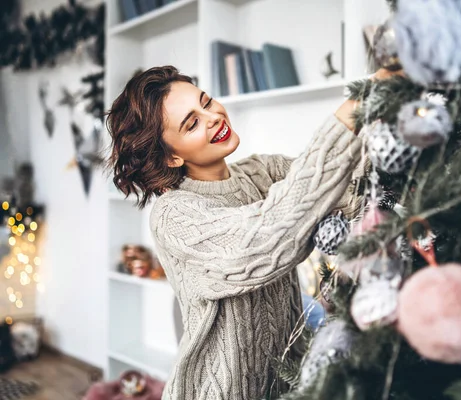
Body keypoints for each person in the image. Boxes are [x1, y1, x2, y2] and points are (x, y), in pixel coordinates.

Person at [106, 65, 396, 400]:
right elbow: (265, 239)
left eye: (207, 102)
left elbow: (345, 187)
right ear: (171, 157)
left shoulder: (263, 171)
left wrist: (394, 117)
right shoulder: (173, 215)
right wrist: (349, 113)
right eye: (192, 123)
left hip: (292, 384)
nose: (213, 116)